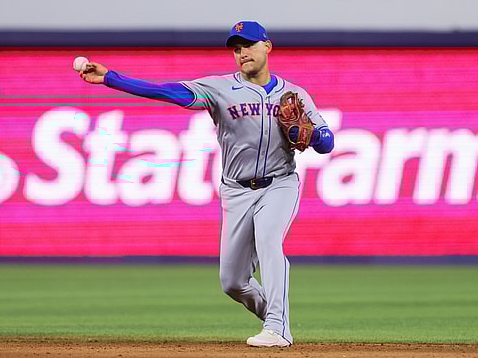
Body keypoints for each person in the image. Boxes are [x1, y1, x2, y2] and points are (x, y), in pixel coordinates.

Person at [78, 20, 334, 347]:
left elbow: (327, 142)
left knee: (270, 242)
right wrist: (112, 79)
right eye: (236, 49)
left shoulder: (294, 94)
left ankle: (277, 327)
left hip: (279, 185)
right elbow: (167, 91)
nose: (242, 53)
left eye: (249, 45)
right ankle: (275, 314)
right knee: (232, 282)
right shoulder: (219, 88)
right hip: (237, 191)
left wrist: (313, 136)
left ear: (267, 47)